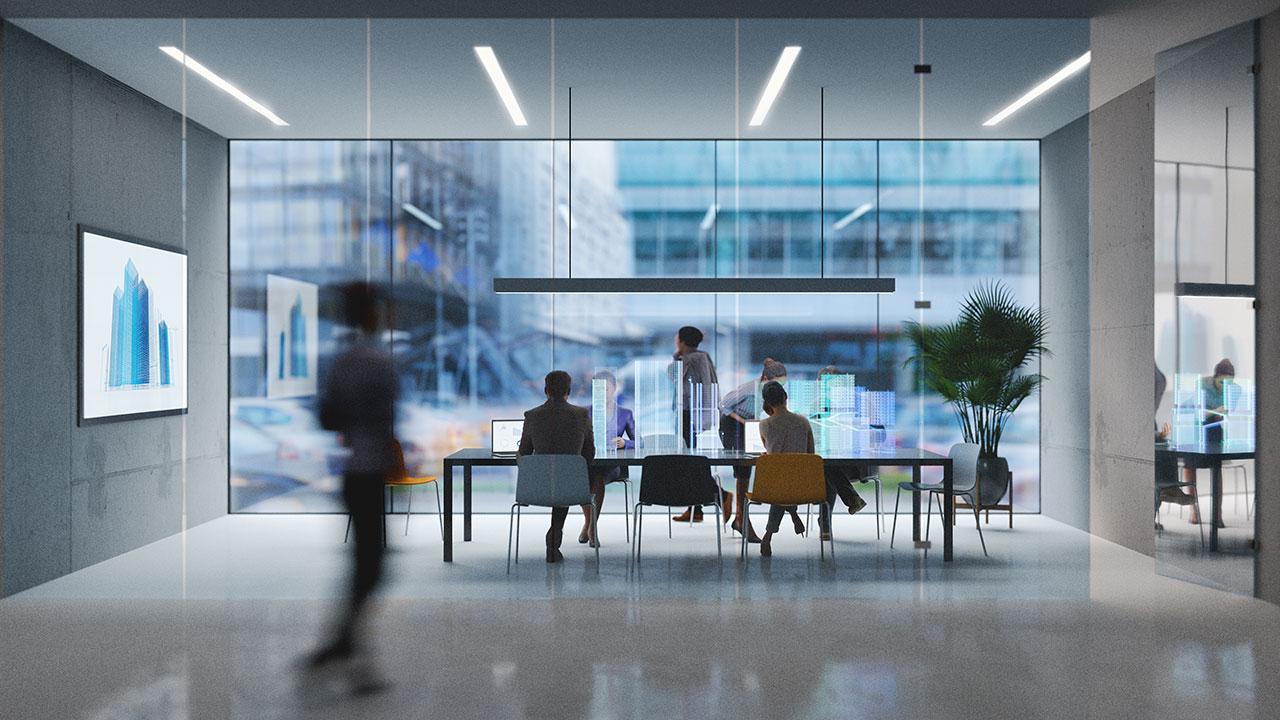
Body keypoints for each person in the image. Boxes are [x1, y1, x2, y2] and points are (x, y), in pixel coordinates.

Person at [309, 281, 398, 694]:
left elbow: (327, 417)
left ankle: (345, 645)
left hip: (353, 472)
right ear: (371, 314)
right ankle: (345, 649)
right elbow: (385, 421)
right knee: (371, 567)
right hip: (369, 472)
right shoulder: (377, 362)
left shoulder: (343, 361)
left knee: (366, 566)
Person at [518, 370, 596, 563]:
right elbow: (589, 454)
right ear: (568, 391)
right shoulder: (581, 415)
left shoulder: (532, 416)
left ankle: (553, 538)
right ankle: (554, 537)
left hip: (537, 487)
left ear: (546, 390)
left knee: (557, 477)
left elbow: (525, 454)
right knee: (565, 478)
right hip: (572, 486)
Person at [719, 358, 791, 542]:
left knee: (747, 470)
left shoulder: (766, 392)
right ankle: (742, 520)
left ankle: (740, 518)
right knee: (743, 470)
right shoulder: (749, 389)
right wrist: (743, 421)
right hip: (732, 426)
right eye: (776, 383)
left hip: (748, 426)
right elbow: (724, 404)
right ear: (765, 378)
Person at [671, 325, 731, 523]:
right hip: (696, 414)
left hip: (690, 414)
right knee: (693, 462)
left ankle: (721, 495)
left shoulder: (690, 359)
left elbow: (675, 378)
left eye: (677, 338)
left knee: (692, 463)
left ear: (682, 341)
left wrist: (676, 357)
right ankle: (695, 509)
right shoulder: (703, 357)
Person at [757, 381, 821, 557]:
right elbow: (811, 454)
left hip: (774, 486)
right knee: (788, 479)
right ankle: (792, 515)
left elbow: (771, 454)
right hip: (802, 484)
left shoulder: (764, 425)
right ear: (786, 397)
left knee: (781, 482)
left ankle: (768, 535)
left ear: (767, 402)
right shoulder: (803, 422)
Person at [578, 370, 635, 547]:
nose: (602, 394)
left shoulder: (625, 413)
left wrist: (624, 443)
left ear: (614, 388)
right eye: (598, 390)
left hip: (612, 465)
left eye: (606, 389)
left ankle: (590, 526)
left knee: (597, 476)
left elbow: (637, 441)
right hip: (589, 461)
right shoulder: (583, 412)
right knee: (583, 475)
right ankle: (590, 524)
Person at [813, 366, 869, 541]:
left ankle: (825, 523)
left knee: (827, 469)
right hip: (826, 463)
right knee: (826, 468)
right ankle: (847, 502)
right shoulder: (814, 406)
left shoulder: (852, 405)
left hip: (851, 463)